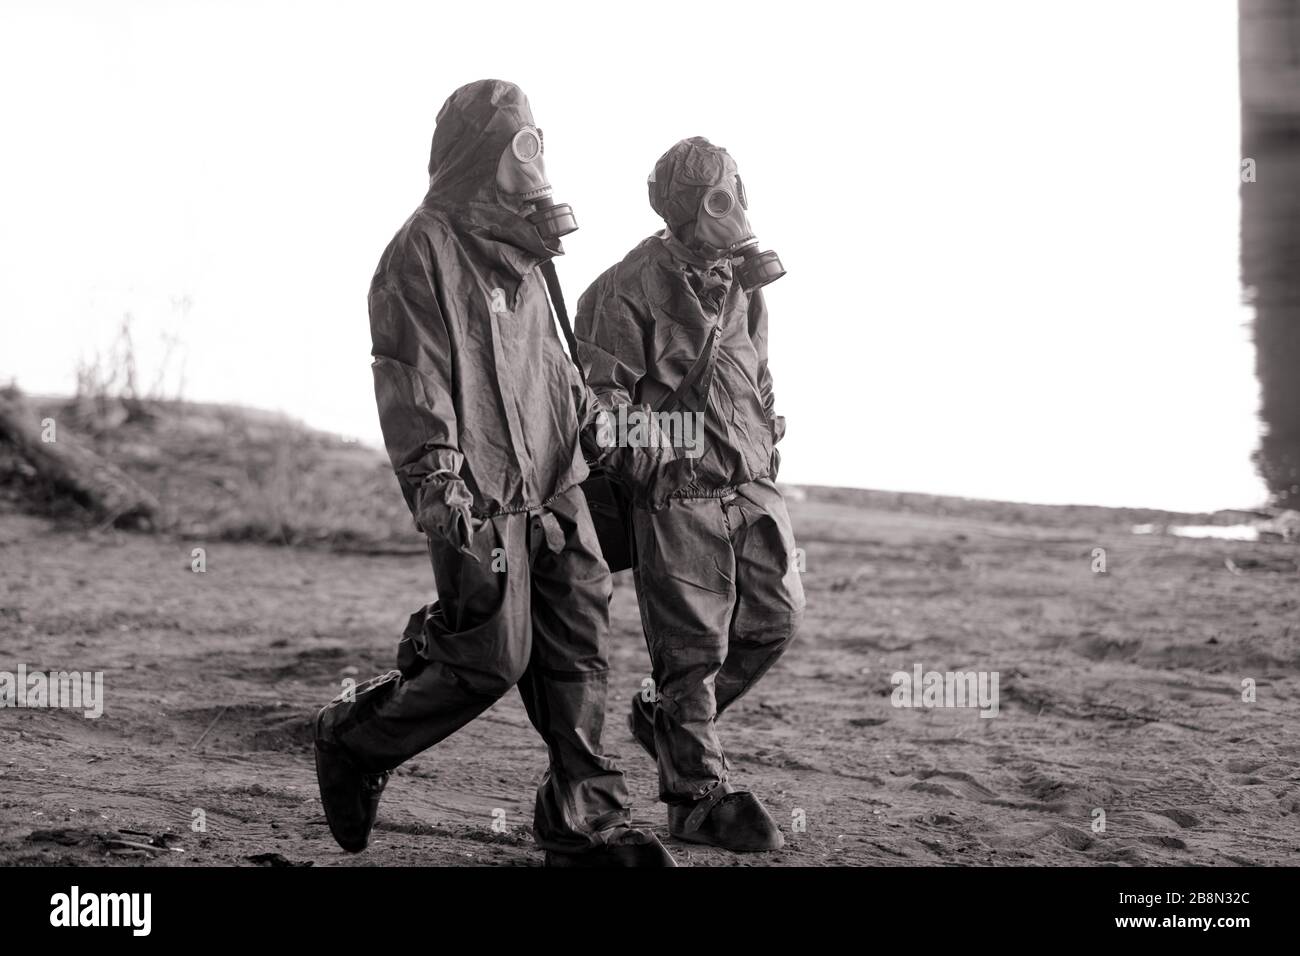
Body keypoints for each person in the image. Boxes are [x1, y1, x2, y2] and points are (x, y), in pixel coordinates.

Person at [313, 79, 673, 867]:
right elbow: (412, 372)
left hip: (559, 483)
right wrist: (436, 476)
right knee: (488, 655)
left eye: (539, 136)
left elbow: (552, 363)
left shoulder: (529, 249)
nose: (535, 154)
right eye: (520, 140)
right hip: (479, 494)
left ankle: (584, 825)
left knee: (577, 647)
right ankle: (355, 740)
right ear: (482, 149)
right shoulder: (421, 248)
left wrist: (597, 429)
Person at [574, 137, 805, 852]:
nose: (735, 204)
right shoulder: (623, 290)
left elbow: (758, 370)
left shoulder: (745, 283)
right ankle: (697, 796)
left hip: (751, 489)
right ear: (697, 203)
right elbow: (599, 414)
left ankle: (665, 723)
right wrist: (663, 466)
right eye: (723, 193)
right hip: (678, 498)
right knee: (693, 652)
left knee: (773, 621)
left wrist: (764, 435)